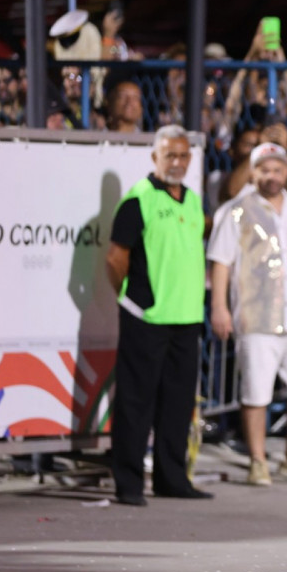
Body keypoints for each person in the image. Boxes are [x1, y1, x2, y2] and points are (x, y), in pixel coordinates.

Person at [208, 142, 287, 487]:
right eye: (264, 170)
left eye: (278, 170)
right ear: (253, 172)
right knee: (256, 392)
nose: (272, 176)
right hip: (255, 314)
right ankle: (258, 460)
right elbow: (221, 261)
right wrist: (219, 306)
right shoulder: (237, 210)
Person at [105, 125, 211, 506]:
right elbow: (116, 259)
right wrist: (132, 300)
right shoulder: (138, 200)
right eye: (171, 155)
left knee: (179, 403)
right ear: (155, 157)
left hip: (185, 318)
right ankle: (129, 483)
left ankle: (172, 478)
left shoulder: (194, 201)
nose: (178, 162)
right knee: (136, 402)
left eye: (184, 156)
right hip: (147, 318)